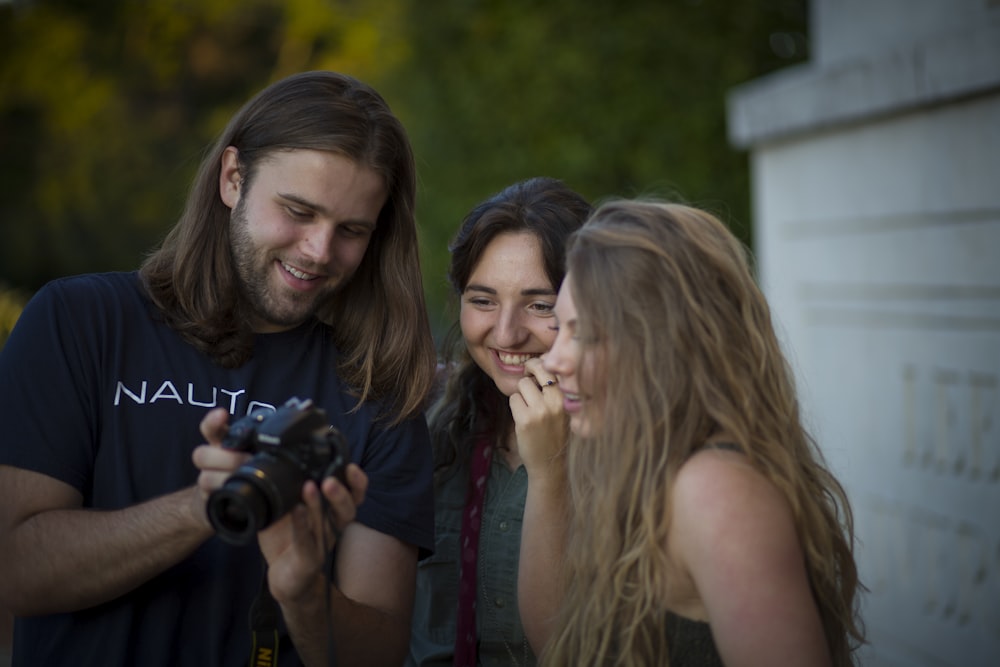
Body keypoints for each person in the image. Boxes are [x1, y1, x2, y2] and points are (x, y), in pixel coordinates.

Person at [0, 70, 437, 667]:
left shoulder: (377, 391)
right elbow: (16, 570)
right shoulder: (78, 322)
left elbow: (380, 655)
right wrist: (208, 506)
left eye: (351, 230)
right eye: (298, 211)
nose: (318, 250)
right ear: (233, 178)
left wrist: (303, 590)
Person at [518, 200, 866, 666]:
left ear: (664, 341)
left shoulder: (717, 490)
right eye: (560, 328)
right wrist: (548, 473)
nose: (555, 360)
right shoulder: (640, 464)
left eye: (586, 334)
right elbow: (557, 643)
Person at [406, 177, 591, 667]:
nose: (505, 333)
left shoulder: (637, 448)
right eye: (483, 300)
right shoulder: (424, 428)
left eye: (539, 305)